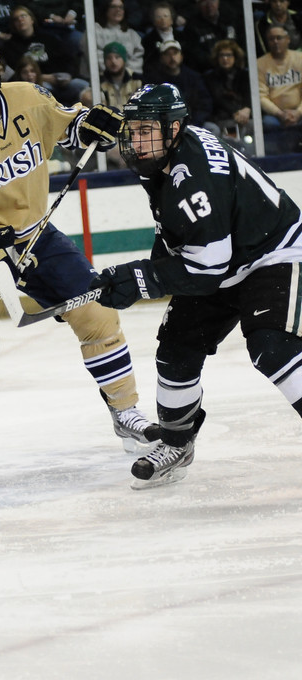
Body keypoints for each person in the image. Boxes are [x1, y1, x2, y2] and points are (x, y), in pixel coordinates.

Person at [0, 38, 160, 453]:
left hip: (33, 234)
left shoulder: (26, 96)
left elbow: (68, 124)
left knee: (98, 314)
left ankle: (125, 412)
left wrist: (90, 124)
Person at [90, 82, 302, 487]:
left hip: (274, 251)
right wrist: (134, 279)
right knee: (176, 347)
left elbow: (206, 268)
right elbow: (180, 238)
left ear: (173, 129)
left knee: (272, 346)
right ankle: (176, 441)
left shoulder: (193, 175)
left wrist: (137, 279)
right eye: (132, 130)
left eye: (145, 130)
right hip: (222, 256)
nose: (135, 141)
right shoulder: (164, 156)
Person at [143, 40, 214, 133]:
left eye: (175, 53)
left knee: (213, 129)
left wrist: (194, 123)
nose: (172, 58)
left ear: (181, 56)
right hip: (165, 126)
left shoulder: (194, 77)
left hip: (193, 123)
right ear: (161, 58)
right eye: (167, 54)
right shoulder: (153, 81)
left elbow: (205, 104)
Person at [257, 23, 302, 155]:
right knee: (266, 123)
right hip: (274, 115)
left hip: (299, 112)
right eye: (271, 39)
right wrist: (280, 114)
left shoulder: (300, 59)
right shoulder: (260, 63)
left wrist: (298, 112)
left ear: (287, 39)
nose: (275, 42)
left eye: (279, 38)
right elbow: (261, 96)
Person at [202, 39, 252, 147]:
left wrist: (247, 108)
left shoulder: (244, 75)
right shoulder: (210, 77)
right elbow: (217, 98)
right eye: (222, 55)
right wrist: (236, 112)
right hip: (221, 118)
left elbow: (248, 94)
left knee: (255, 126)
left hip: (243, 116)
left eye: (229, 55)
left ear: (235, 57)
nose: (225, 58)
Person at [81, 0, 145, 78]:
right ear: (106, 9)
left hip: (127, 81)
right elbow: (94, 58)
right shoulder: (94, 30)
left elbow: (137, 59)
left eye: (121, 7)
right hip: (97, 81)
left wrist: (124, 75)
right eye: (113, 7)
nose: (118, 10)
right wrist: (114, 73)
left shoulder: (132, 34)